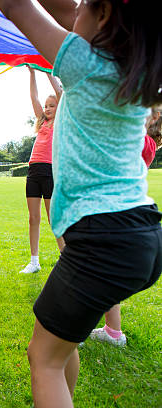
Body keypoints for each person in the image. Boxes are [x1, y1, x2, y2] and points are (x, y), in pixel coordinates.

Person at [0, 0, 162, 406]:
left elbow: (17, 5)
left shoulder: (85, 64)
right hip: (142, 235)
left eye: (84, 4)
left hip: (103, 238)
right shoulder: (130, 73)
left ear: (103, 17)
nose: (73, 9)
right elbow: (73, 16)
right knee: (61, 344)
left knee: (44, 359)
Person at [90, 108, 162, 347]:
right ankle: (112, 331)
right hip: (116, 209)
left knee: (97, 270)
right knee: (103, 271)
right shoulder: (146, 142)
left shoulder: (144, 142)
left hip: (115, 211)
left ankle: (79, 329)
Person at [20, 66, 66, 274]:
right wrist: (31, 74)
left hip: (50, 171)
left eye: (52, 106)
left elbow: (61, 94)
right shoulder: (41, 123)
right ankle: (34, 261)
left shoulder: (61, 122)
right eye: (46, 106)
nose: (47, 109)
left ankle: (65, 257)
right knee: (33, 217)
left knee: (52, 217)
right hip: (34, 171)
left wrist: (48, 72)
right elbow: (33, 96)